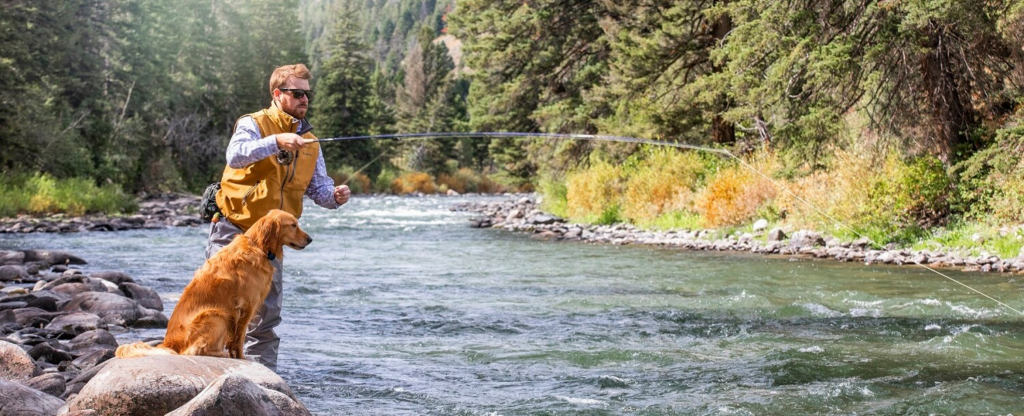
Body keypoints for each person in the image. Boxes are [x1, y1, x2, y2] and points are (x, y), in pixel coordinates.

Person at [206, 63, 350, 371]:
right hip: (235, 229)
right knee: (221, 307)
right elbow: (236, 154)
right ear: (277, 94)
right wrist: (276, 142)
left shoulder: (311, 142)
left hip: (273, 242)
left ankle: (261, 384)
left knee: (265, 317)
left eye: (307, 94)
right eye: (297, 93)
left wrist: (335, 197)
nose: (304, 100)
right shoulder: (253, 123)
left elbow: (320, 189)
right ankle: (211, 373)